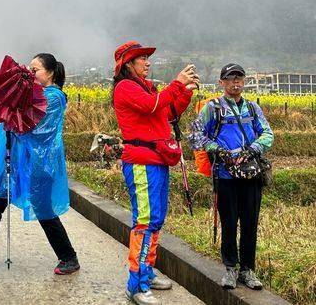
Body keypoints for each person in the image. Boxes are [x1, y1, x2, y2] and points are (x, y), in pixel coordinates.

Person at [0, 53, 80, 275]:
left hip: (38, 164)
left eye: (35, 71)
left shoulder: (54, 98)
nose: (30, 74)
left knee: (43, 208)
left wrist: (10, 110)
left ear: (50, 73)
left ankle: (68, 256)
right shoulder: (31, 93)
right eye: (29, 70)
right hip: (14, 160)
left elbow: (32, 127)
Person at [112, 41, 198, 305]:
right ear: (128, 64)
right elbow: (152, 105)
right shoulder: (125, 87)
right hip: (142, 163)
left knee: (155, 219)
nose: (147, 62)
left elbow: (167, 112)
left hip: (156, 160)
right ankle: (136, 284)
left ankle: (146, 273)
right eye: (142, 58)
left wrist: (184, 92)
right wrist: (177, 83)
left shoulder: (145, 86)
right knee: (145, 221)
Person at [190, 63, 274, 291]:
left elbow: (268, 134)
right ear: (222, 82)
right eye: (230, 78)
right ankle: (230, 269)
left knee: (250, 223)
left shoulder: (253, 108)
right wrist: (217, 150)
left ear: (244, 81)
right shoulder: (212, 108)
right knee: (228, 222)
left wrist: (253, 149)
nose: (235, 82)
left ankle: (247, 269)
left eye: (239, 78)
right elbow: (196, 135)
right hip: (225, 175)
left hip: (251, 175)